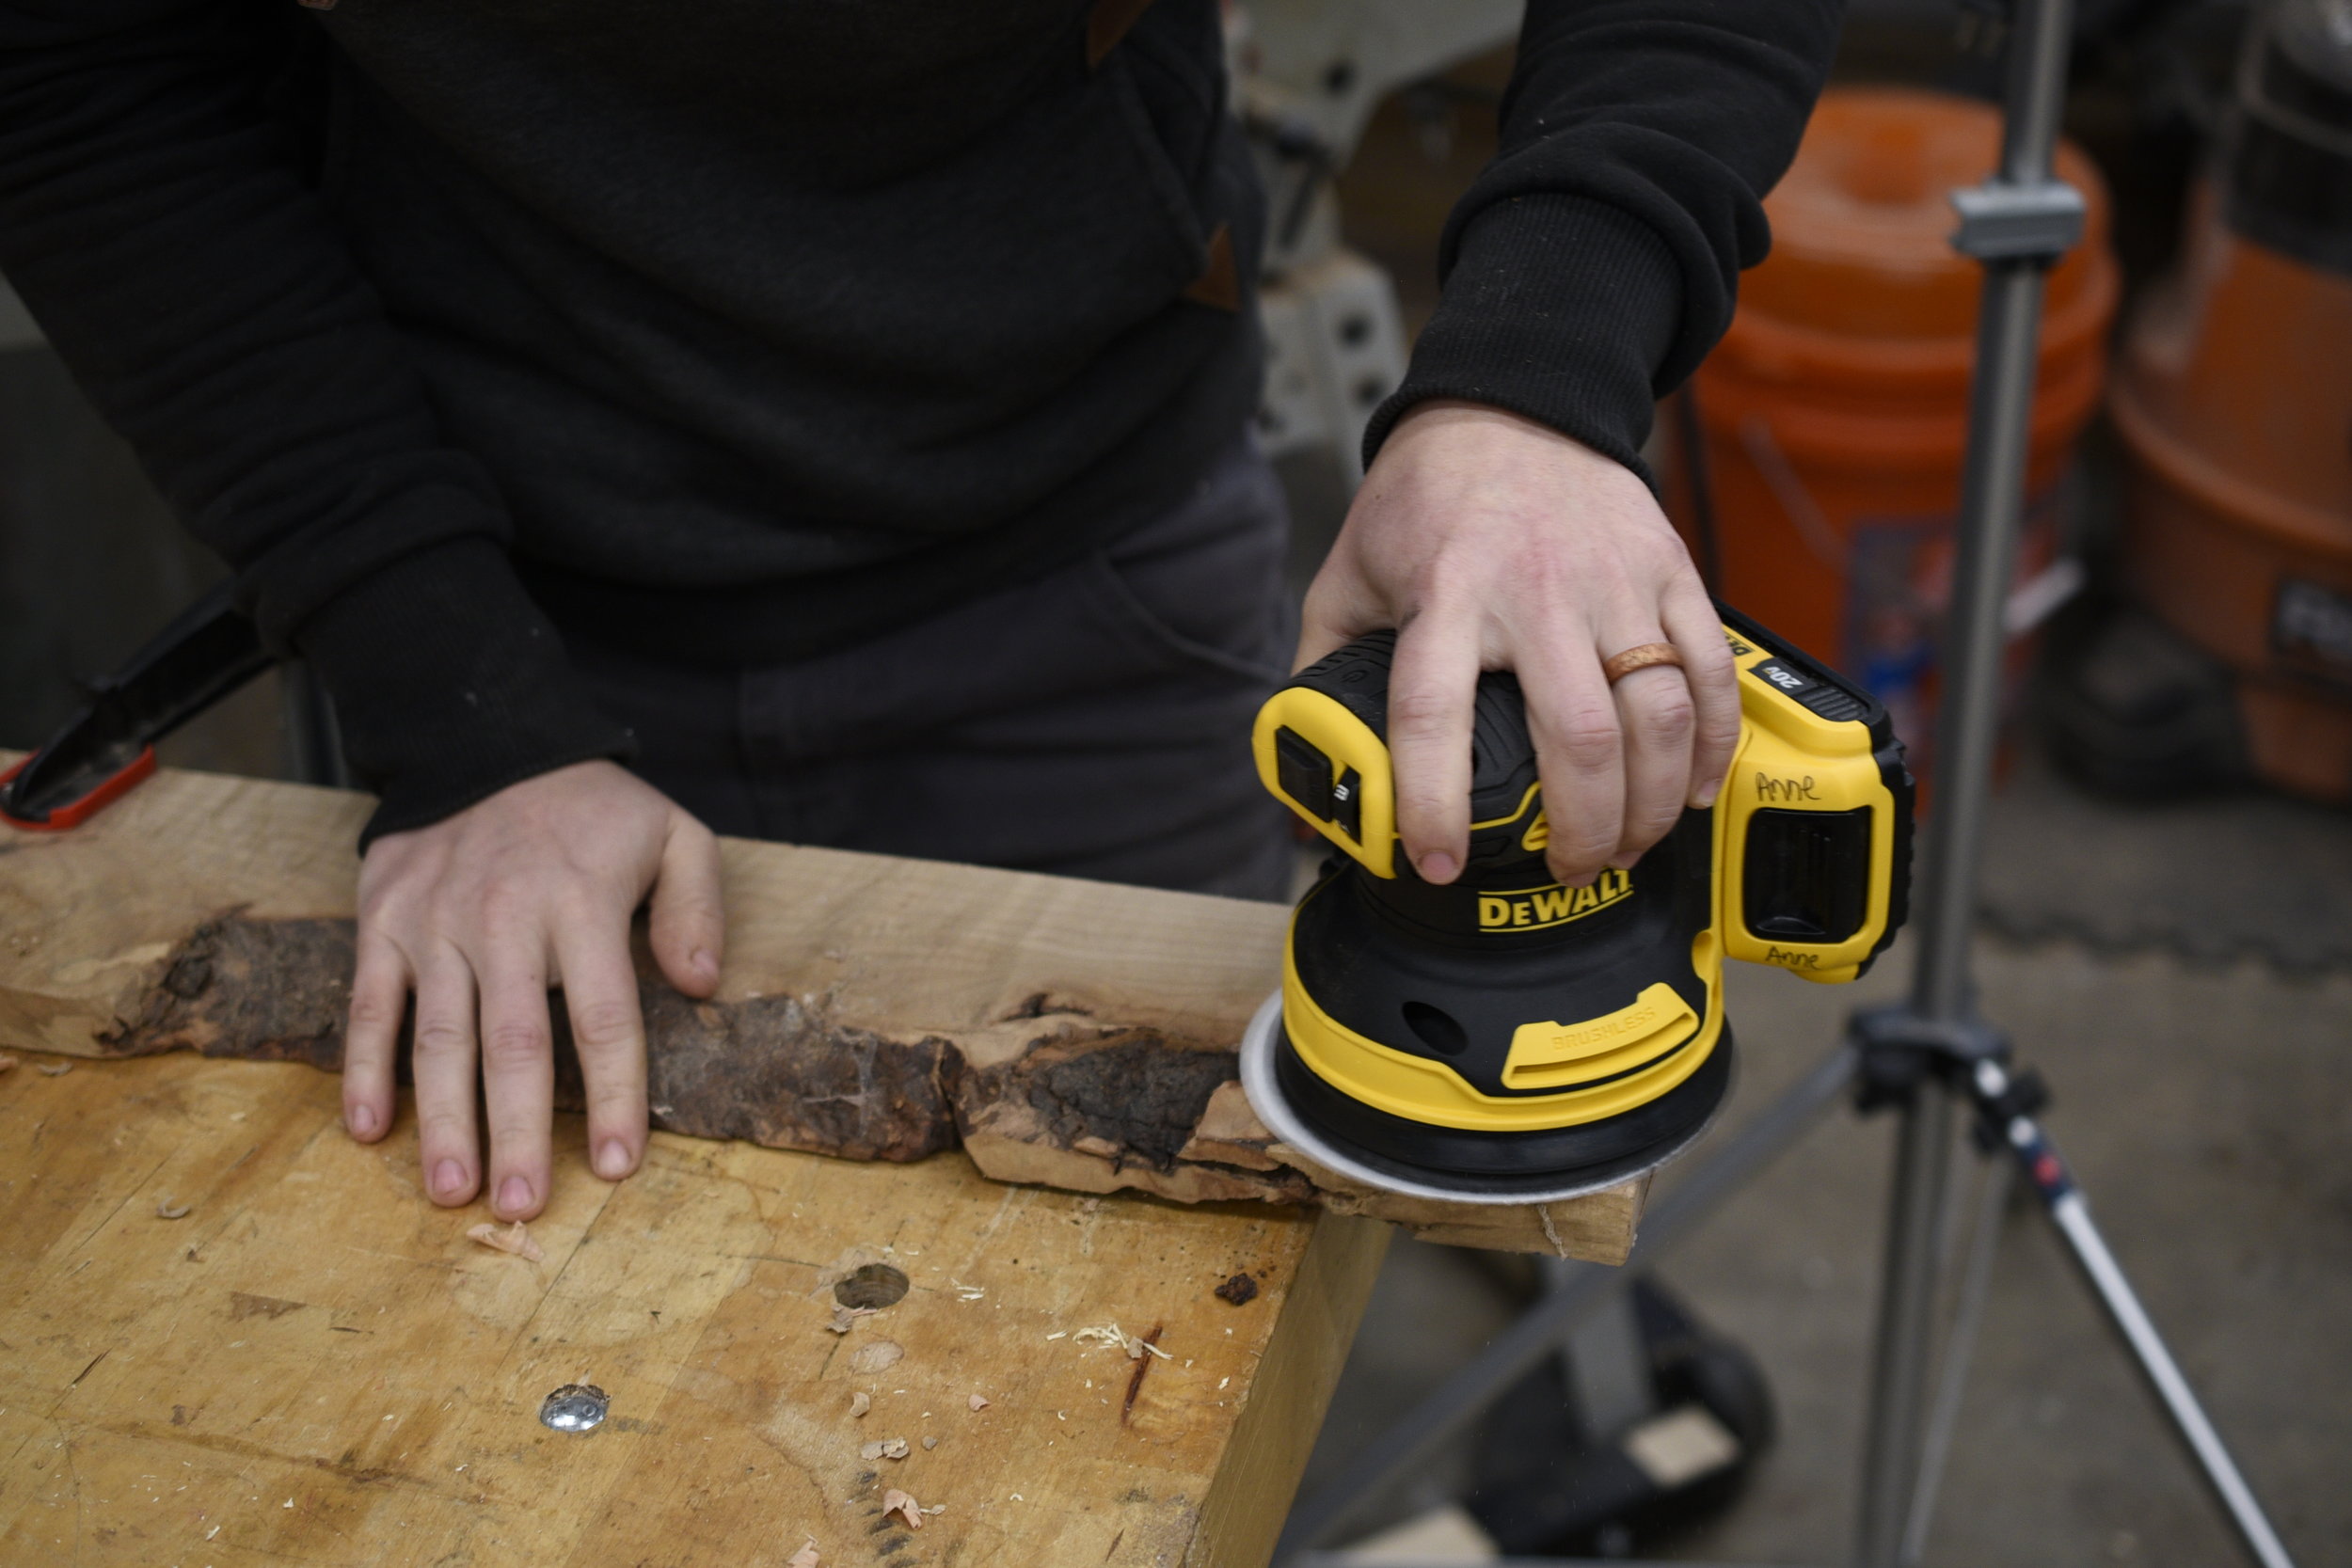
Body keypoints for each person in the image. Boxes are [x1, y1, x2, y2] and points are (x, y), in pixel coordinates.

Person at [0, 0, 1841, 1222]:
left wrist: (1532, 381)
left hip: (1084, 521)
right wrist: (446, 697)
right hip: (472, 578)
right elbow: (76, 69)